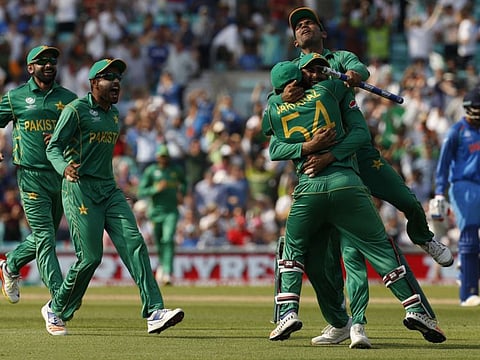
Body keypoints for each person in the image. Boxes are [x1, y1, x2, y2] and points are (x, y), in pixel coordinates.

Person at [268, 6, 452, 346]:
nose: (304, 25)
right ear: (294, 42)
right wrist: (280, 93)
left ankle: (423, 237)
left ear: (323, 33)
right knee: (337, 256)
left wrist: (352, 77)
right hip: (327, 170)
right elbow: (275, 101)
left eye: (311, 22)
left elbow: (359, 69)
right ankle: (350, 324)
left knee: (407, 202)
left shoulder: (338, 59)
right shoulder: (293, 71)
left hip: (356, 157)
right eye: (298, 26)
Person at [44, 58, 184, 336]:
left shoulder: (114, 114)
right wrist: (64, 167)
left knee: (135, 243)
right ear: (94, 83)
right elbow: (54, 147)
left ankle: (155, 311)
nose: (116, 82)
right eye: (108, 77)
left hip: (109, 190)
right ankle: (56, 308)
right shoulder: (75, 110)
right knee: (90, 258)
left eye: (118, 77)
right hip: (79, 188)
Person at [0, 45, 77, 304]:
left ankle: (10, 265)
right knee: (45, 237)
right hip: (31, 175)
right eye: (42, 61)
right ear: (30, 68)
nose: (48, 65)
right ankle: (60, 298)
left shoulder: (69, 99)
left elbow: (82, 135)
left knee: (45, 237)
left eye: (52, 61)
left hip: (60, 175)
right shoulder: (16, 97)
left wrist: (64, 141)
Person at [433, 88, 480, 307]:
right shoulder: (457, 131)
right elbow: (443, 165)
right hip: (464, 185)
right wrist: (440, 192)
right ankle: (468, 293)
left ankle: (464, 265)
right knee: (470, 235)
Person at [137, 143, 187, 286]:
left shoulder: (175, 170)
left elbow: (184, 183)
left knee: (168, 238)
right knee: (159, 242)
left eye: (166, 157)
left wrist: (181, 193)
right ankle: (162, 266)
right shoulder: (151, 171)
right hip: (155, 212)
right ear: (157, 157)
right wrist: (156, 189)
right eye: (161, 157)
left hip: (171, 211)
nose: (164, 160)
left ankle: (167, 271)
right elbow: (141, 191)